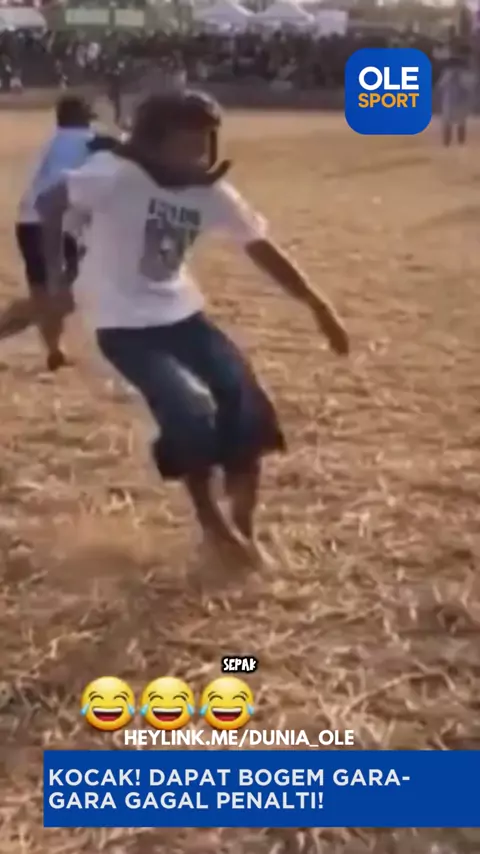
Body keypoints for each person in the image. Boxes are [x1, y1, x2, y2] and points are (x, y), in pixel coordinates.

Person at [36, 90, 349, 568]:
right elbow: (50, 201)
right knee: (188, 411)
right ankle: (212, 525)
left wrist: (317, 304)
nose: (200, 155)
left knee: (243, 404)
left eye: (206, 142)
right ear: (152, 142)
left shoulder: (209, 192)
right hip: (124, 326)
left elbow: (260, 247)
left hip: (184, 317)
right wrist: (57, 274)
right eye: (188, 143)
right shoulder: (116, 175)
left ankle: (244, 527)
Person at [0, 94, 97, 370]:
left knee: (44, 292)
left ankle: (55, 351)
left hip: (29, 222)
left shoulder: (51, 144)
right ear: (83, 118)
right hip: (59, 224)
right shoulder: (92, 142)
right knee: (63, 296)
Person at [436, 55, 473, 147]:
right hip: (455, 101)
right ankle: (457, 143)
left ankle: (450, 143)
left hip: (453, 101)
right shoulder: (452, 74)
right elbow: (469, 89)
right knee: (458, 122)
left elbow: (440, 88)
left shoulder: (448, 74)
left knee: (452, 122)